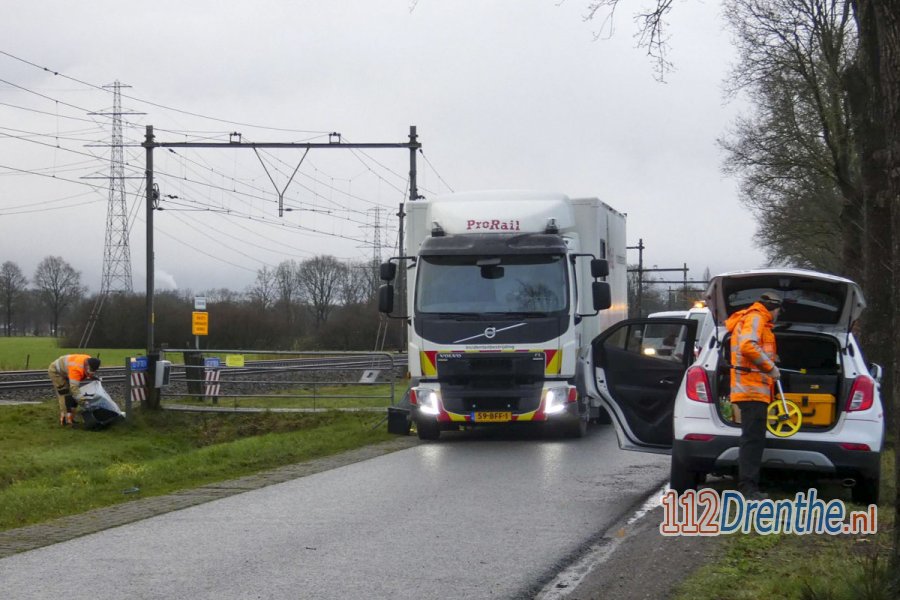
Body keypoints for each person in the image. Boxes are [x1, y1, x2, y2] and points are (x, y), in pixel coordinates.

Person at [725, 291, 782, 500]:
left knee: (753, 439)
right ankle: (748, 489)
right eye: (778, 311)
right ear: (773, 308)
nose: (778, 316)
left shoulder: (755, 319)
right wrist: (770, 367)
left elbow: (754, 347)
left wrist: (771, 358)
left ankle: (749, 485)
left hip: (752, 390)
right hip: (751, 389)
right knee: (752, 440)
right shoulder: (757, 317)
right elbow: (748, 346)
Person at [48, 354, 101, 426]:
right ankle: (66, 421)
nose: (91, 372)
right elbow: (74, 388)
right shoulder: (76, 370)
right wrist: (83, 402)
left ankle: (70, 417)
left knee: (71, 396)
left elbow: (87, 371)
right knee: (65, 394)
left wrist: (92, 377)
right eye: (91, 370)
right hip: (56, 372)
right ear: (87, 365)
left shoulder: (89, 361)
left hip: (65, 371)